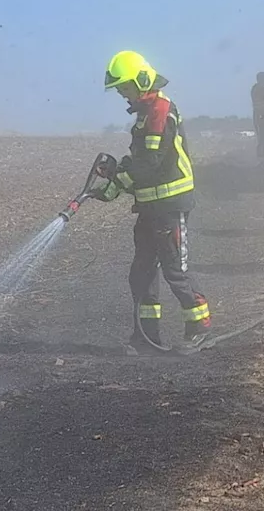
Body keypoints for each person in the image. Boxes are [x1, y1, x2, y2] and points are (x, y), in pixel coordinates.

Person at [94, 50, 211, 351]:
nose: (123, 95)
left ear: (142, 80)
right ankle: (146, 336)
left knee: (175, 269)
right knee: (142, 272)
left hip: (170, 206)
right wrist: (116, 175)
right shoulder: (146, 115)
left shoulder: (159, 110)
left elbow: (152, 163)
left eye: (125, 88)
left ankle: (199, 327)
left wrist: (120, 182)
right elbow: (140, 161)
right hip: (150, 207)